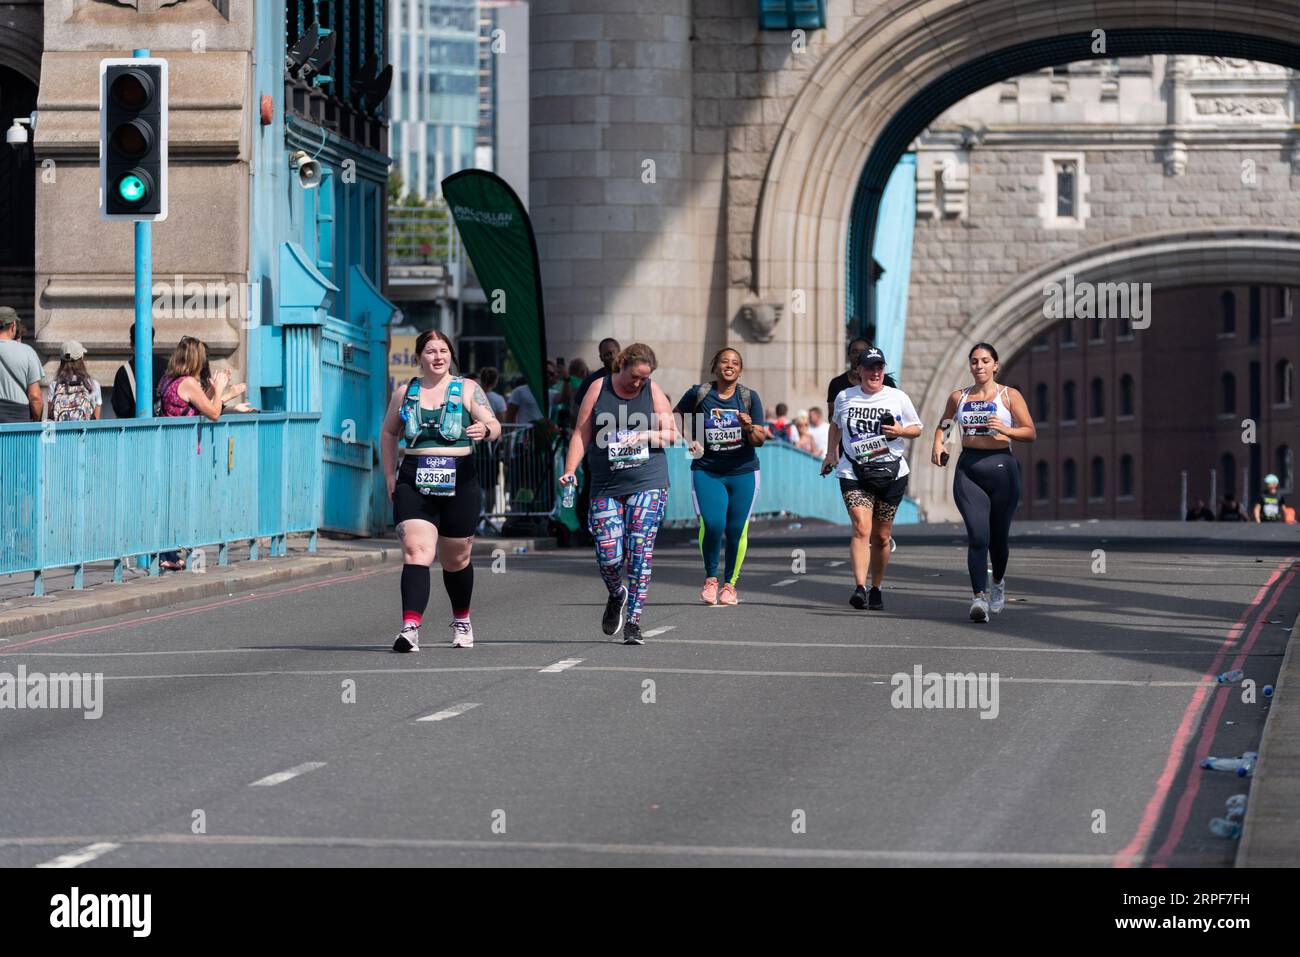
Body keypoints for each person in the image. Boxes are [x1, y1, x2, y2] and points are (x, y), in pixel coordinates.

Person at [381, 329, 501, 652]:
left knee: (456, 558)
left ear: (450, 355)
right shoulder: (405, 393)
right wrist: (389, 476)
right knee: (417, 551)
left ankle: (461, 619)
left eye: (443, 351)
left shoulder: (467, 390)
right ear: (419, 357)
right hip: (414, 480)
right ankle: (410, 627)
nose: (438, 357)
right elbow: (389, 433)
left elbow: (495, 424)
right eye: (431, 351)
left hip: (459, 480)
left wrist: (485, 428)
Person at [561, 343, 676, 644]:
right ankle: (617, 593)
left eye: (643, 378)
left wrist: (645, 434)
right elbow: (581, 433)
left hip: (647, 481)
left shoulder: (652, 391)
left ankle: (634, 622)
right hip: (605, 485)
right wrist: (571, 469)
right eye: (634, 377)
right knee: (609, 557)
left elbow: (673, 434)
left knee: (640, 552)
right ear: (621, 365)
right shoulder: (599, 389)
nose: (637, 383)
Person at [930, 342, 1037, 623]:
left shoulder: (1009, 395)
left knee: (998, 540)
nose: (979, 366)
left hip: (1002, 469)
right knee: (978, 536)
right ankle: (978, 598)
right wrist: (938, 444)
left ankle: (998, 583)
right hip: (969, 469)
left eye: (985, 361)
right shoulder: (959, 397)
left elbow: (1030, 432)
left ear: (995, 365)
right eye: (975, 361)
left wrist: (1007, 429)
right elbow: (945, 424)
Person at [821, 346, 922, 612]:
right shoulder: (845, 397)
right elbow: (836, 425)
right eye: (869, 368)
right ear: (860, 371)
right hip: (853, 471)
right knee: (861, 528)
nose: (875, 373)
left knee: (880, 537)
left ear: (884, 370)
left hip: (892, 472)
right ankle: (859, 587)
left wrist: (900, 430)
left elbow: (917, 428)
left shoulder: (897, 397)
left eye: (879, 368)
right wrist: (831, 453)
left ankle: (876, 587)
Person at [673, 348, 765, 606]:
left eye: (735, 363)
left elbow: (760, 440)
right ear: (715, 366)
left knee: (736, 529)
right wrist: (690, 439)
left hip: (743, 471)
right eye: (724, 361)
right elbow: (676, 413)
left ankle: (729, 585)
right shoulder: (700, 393)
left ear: (740, 370)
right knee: (713, 525)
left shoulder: (749, 397)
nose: (729, 365)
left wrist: (748, 427)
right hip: (707, 469)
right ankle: (711, 579)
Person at [111, 321, 169, 418]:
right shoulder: (168, 366)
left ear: (131, 343)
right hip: (166, 429)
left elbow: (120, 409)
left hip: (135, 430)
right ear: (152, 342)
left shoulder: (124, 372)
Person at [0, 306, 43, 422]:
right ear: (13, 326)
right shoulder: (28, 352)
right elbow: (35, 397)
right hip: (18, 417)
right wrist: (36, 420)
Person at [47, 341, 102, 421]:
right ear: (82, 358)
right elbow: (96, 422)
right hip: (84, 432)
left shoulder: (54, 385)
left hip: (61, 433)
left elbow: (50, 419)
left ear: (61, 360)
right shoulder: (93, 385)